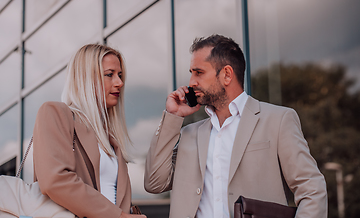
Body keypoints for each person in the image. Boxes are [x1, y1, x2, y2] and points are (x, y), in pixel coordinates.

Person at [144, 34, 327, 218]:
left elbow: (311, 189)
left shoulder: (278, 120)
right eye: (191, 73)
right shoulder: (189, 134)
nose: (191, 82)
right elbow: (154, 183)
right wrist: (172, 117)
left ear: (227, 74)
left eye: (198, 72)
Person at [33, 44, 146, 218]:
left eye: (120, 75)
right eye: (110, 75)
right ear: (84, 78)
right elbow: (54, 180)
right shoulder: (55, 113)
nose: (119, 83)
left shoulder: (110, 139)